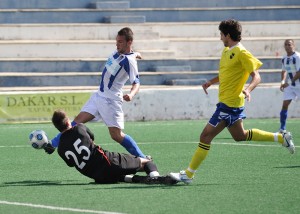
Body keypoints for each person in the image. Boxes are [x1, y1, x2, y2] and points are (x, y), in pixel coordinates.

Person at [169, 19, 295, 184]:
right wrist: (211, 82)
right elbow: (226, 74)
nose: (220, 38)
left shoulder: (242, 53)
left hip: (230, 105)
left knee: (205, 136)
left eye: (221, 34)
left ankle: (188, 174)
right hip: (228, 104)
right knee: (240, 136)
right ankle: (280, 138)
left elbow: (257, 76)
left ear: (228, 35)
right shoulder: (226, 51)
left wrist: (248, 89)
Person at [50, 27, 148, 159]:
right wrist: (137, 53)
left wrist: (131, 94)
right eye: (116, 41)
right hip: (99, 96)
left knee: (116, 136)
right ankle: (53, 143)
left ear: (129, 42)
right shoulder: (118, 52)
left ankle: (143, 158)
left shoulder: (129, 62)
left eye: (120, 42)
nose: (117, 44)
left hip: (111, 101)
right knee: (78, 121)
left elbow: (136, 83)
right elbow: (131, 54)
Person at [44, 109, 177, 185]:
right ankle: (156, 178)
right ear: (68, 121)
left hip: (97, 176)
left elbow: (71, 164)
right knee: (147, 162)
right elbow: (91, 138)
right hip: (107, 161)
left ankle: (141, 180)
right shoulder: (79, 128)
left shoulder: (61, 149)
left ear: (57, 127)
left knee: (120, 176)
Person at [278, 39, 300, 133]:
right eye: (286, 45)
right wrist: (283, 81)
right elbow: (284, 71)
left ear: (293, 46)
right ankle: (282, 128)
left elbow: (299, 72)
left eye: (289, 44)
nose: (288, 46)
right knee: (285, 105)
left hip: (298, 84)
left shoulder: (298, 57)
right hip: (291, 85)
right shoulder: (284, 58)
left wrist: (290, 82)